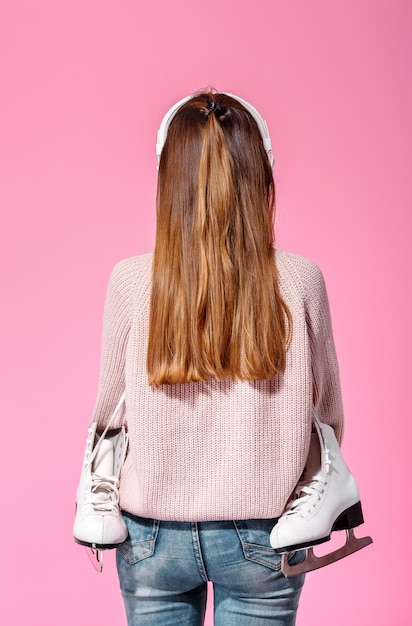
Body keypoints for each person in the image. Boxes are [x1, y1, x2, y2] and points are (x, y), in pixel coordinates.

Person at [90, 91, 344, 625]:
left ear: (168, 180)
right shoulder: (300, 280)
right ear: (262, 176)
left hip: (150, 534)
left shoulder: (131, 282)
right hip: (268, 533)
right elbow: (327, 419)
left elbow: (109, 421)